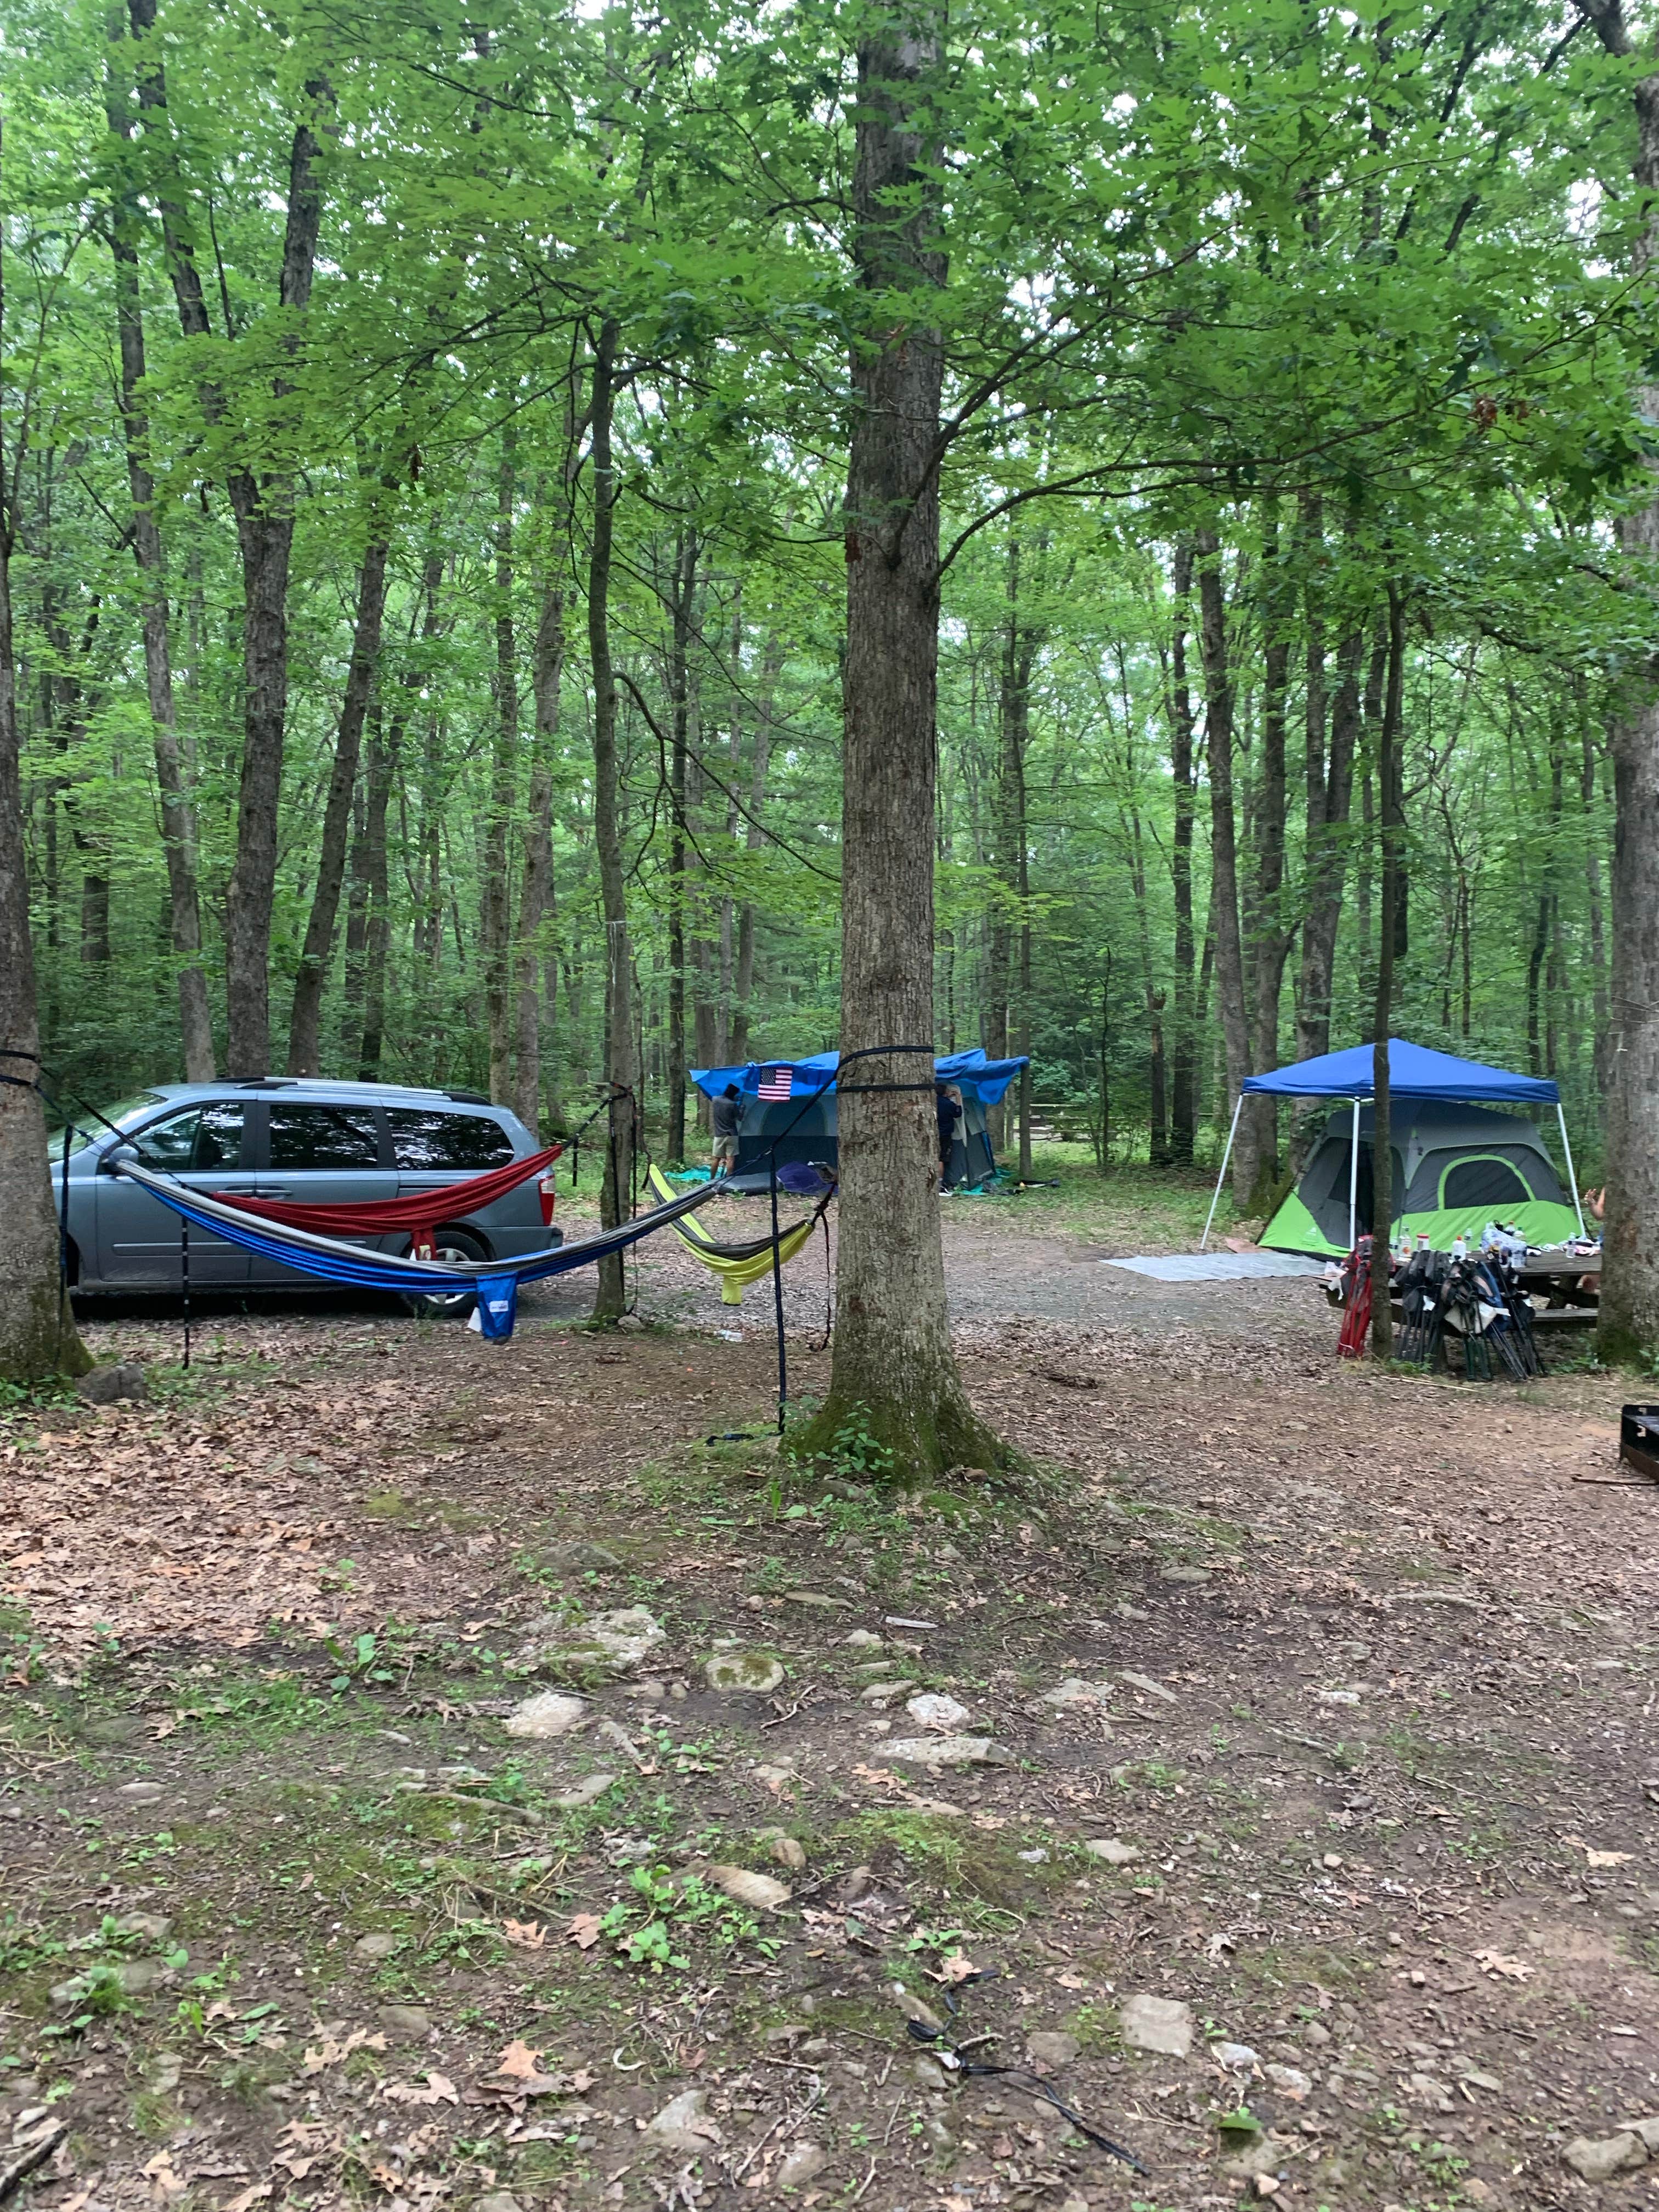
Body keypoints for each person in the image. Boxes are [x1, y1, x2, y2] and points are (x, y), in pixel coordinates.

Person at [710, 1084, 742, 1176]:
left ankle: (711, 1179)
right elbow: (739, 1118)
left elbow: (722, 1101)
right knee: (731, 1159)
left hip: (719, 1135)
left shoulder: (715, 1100)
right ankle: (728, 1182)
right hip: (732, 1135)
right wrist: (742, 1108)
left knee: (716, 1159)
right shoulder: (733, 1104)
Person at [935, 1082, 962, 1184]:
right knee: (941, 1158)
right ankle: (940, 1183)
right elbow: (958, 1113)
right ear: (946, 1092)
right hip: (945, 1135)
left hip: (933, 1134)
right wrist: (958, 1099)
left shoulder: (931, 1102)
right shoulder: (949, 1104)